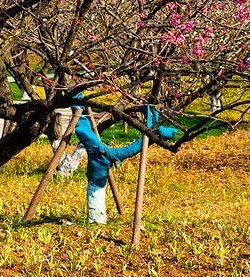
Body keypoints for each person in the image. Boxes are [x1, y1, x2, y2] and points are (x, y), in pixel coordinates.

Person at [66, 96, 177, 224]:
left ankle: (96, 220)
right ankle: (96, 219)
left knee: (85, 129)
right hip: (99, 147)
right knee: (85, 130)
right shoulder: (95, 146)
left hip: (100, 148)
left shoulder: (95, 147)